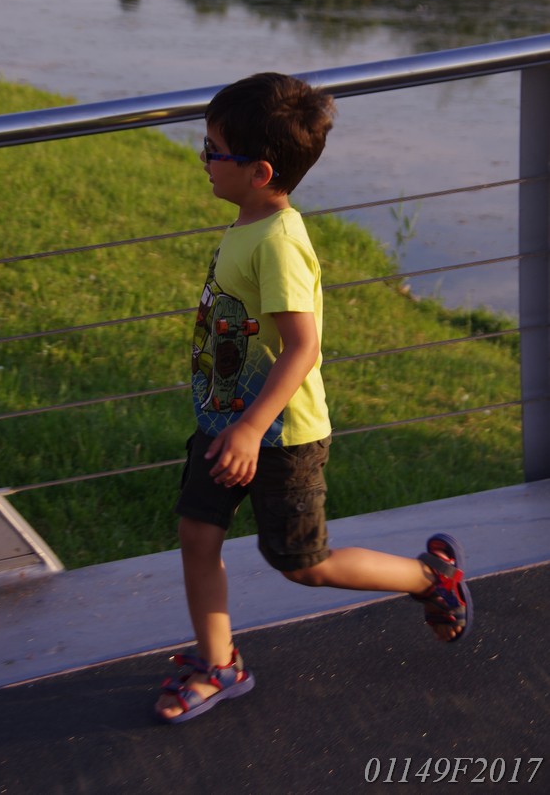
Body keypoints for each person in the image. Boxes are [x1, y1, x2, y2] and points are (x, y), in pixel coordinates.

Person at [155, 72, 473, 724]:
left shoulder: (279, 243)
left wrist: (251, 429)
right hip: (226, 427)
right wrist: (234, 426)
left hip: (278, 437)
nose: (203, 159)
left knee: (302, 564)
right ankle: (219, 664)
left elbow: (302, 348)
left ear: (260, 172)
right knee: (197, 532)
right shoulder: (248, 224)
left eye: (212, 150)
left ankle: (430, 578)